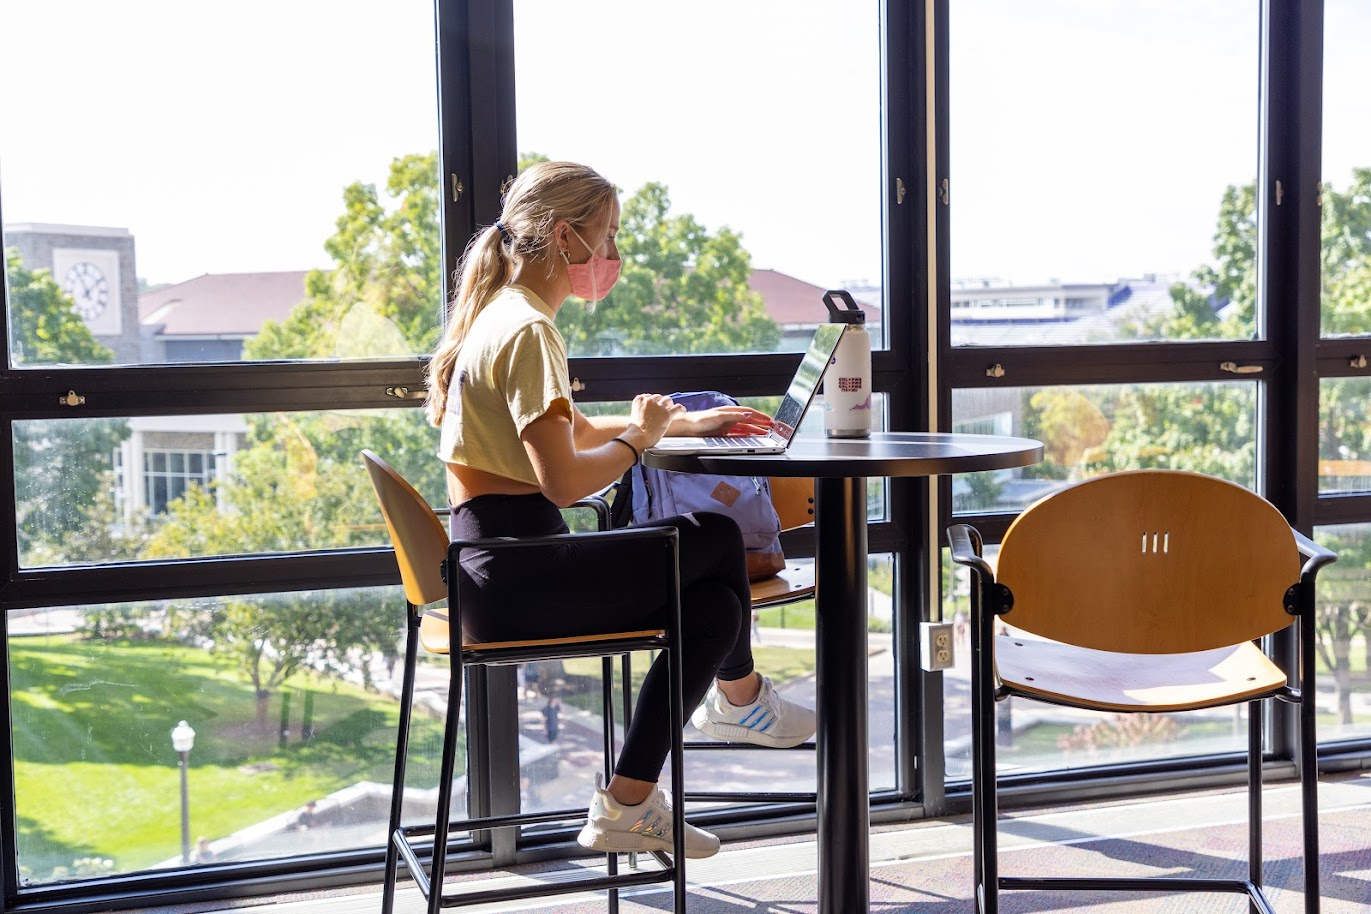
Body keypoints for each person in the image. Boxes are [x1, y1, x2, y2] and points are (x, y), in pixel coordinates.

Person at [425, 161, 817, 860]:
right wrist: (639, 439)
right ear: (565, 237)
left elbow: (565, 434)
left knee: (713, 612)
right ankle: (740, 699)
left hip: (497, 572)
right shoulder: (528, 332)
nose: (612, 257)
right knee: (713, 536)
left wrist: (681, 427)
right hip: (520, 577)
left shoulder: (503, 317)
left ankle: (632, 800)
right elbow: (564, 483)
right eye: (606, 238)